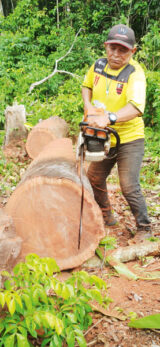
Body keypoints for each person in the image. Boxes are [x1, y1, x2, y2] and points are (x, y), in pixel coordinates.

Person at [82, 24, 151, 242]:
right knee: (94, 177)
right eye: (112, 48)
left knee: (129, 185)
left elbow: (136, 107)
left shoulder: (135, 74)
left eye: (123, 50)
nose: (116, 54)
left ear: (133, 51)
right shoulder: (98, 65)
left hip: (129, 138)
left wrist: (109, 118)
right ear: (106, 47)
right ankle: (106, 216)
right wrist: (88, 108)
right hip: (103, 135)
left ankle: (144, 228)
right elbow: (86, 86)